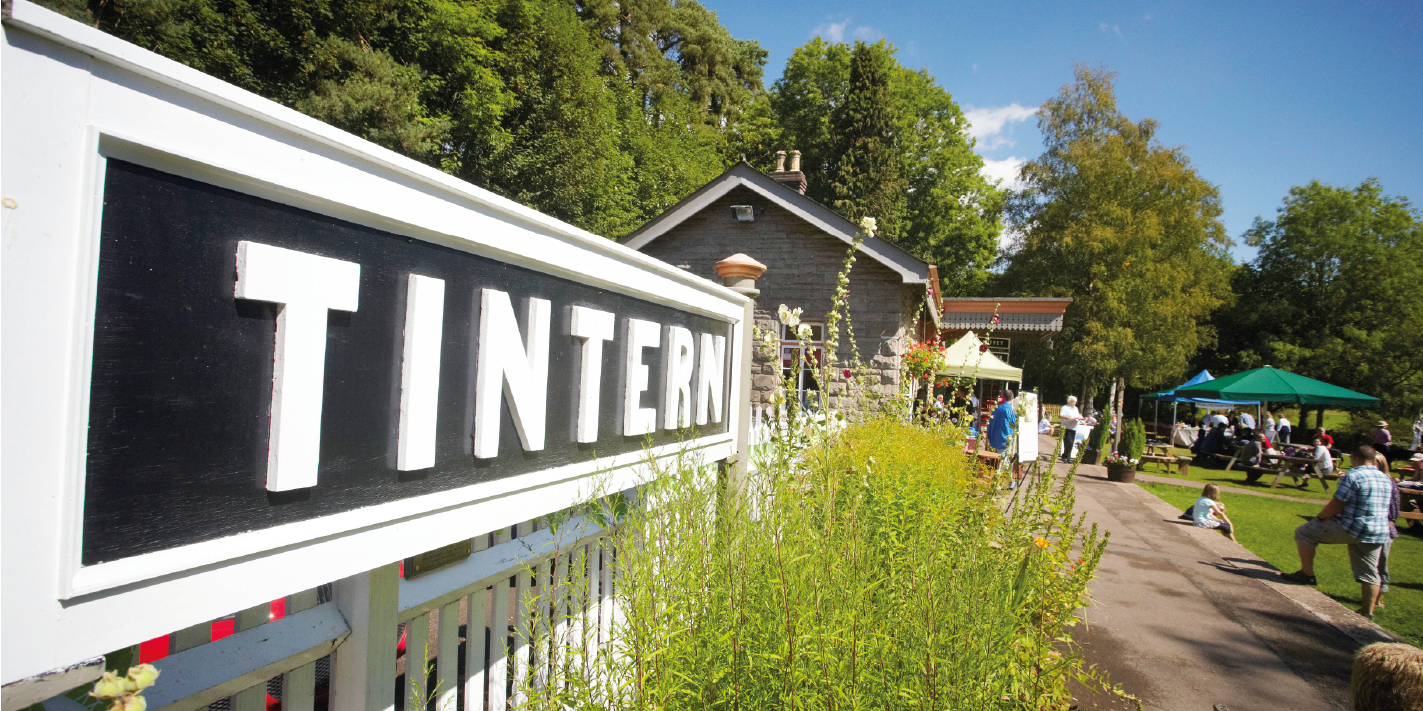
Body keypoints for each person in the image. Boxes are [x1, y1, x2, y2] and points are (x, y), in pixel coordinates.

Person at [1282, 446, 1395, 620]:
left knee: (1304, 532)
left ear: (1355, 457)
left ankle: (1307, 574)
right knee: (1370, 571)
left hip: (1352, 526)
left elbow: (1337, 503)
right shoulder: (1385, 479)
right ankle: (1367, 611)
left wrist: (1319, 518)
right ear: (1373, 460)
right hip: (1378, 530)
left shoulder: (1353, 475)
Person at [1059, 396, 1083, 462]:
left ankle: (1068, 457)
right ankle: (1064, 456)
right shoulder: (1065, 408)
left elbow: (1078, 416)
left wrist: (1079, 418)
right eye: (1073, 402)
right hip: (1066, 427)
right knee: (1068, 442)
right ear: (1069, 402)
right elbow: (1060, 416)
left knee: (1071, 443)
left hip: (1073, 427)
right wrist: (1067, 417)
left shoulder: (1076, 409)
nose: (1074, 403)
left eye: (1075, 402)